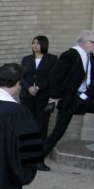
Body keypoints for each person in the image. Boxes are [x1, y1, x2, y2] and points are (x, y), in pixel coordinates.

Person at [41, 30, 94, 170]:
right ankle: (38, 159)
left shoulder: (90, 56)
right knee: (59, 131)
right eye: (93, 42)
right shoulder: (70, 55)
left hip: (85, 97)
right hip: (70, 99)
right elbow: (55, 76)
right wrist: (55, 97)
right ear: (84, 42)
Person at [20, 35, 58, 170]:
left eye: (38, 43)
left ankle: (38, 160)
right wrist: (29, 87)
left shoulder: (52, 59)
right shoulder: (26, 59)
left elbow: (52, 77)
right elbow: (21, 77)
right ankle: (25, 157)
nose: (35, 45)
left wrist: (39, 87)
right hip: (27, 97)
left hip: (43, 97)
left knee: (41, 126)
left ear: (44, 45)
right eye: (33, 43)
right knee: (27, 125)